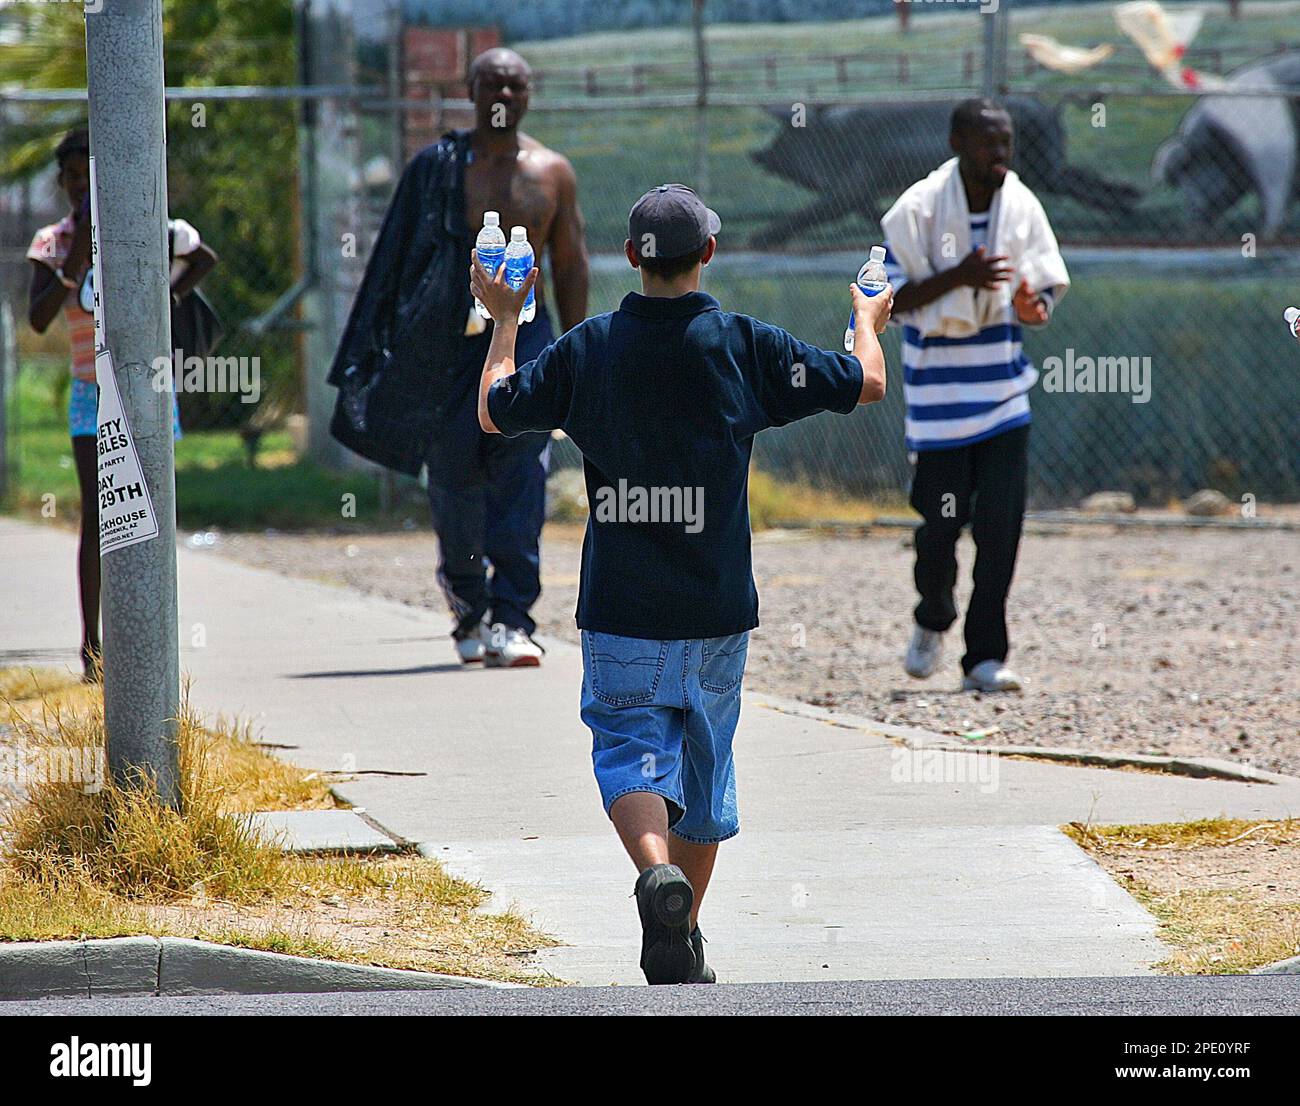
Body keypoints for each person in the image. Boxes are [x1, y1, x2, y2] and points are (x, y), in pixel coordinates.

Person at [471, 183, 891, 984]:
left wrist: (504, 318)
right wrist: (867, 321)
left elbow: (495, 409)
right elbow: (864, 383)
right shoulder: (743, 345)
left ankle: (652, 873)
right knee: (703, 768)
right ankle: (682, 931)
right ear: (708, 253)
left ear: (631, 258)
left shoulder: (590, 348)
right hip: (718, 606)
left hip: (623, 608)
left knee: (631, 749)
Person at [329, 47, 589, 669]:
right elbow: (397, 262)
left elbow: (570, 264)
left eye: (515, 86)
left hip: (527, 336)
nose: (503, 96)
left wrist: (579, 356)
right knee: (453, 472)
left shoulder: (552, 171)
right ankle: (469, 606)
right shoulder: (439, 167)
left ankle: (513, 617)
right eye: (491, 85)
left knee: (522, 470)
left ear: (529, 94)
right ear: (469, 92)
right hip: (448, 345)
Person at [881, 98, 1069, 693]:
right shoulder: (917, 211)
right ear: (958, 142)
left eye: (1007, 144)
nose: (1001, 156)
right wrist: (957, 276)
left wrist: (1027, 305)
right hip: (940, 410)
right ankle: (933, 616)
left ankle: (985, 657)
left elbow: (1039, 300)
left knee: (1000, 530)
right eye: (990, 144)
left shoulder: (1021, 205)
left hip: (1005, 401)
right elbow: (888, 300)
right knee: (939, 532)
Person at [26, 127, 216, 681]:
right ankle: (93, 647)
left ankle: (151, 634)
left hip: (145, 387)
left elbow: (203, 256)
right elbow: (38, 319)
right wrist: (78, 255)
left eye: (92, 177)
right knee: (97, 513)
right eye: (74, 178)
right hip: (90, 391)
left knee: (151, 512)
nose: (84, 187)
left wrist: (168, 290)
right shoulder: (53, 242)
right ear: (62, 182)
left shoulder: (140, 228)